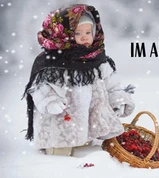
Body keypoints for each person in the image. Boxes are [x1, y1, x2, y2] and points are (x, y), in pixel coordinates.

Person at [23, 4, 135, 156]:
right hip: (61, 121)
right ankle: (57, 150)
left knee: (88, 147)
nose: (85, 37)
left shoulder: (97, 59)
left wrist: (117, 100)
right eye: (78, 33)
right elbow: (41, 87)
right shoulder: (53, 62)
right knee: (60, 146)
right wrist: (50, 101)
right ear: (64, 34)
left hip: (88, 126)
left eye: (88, 32)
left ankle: (84, 141)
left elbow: (111, 84)